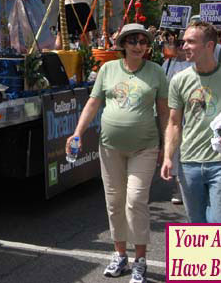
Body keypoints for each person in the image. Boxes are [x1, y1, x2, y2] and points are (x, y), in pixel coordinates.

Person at [66, 23, 169, 283]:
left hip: (145, 147)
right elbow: (93, 102)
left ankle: (140, 260)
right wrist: (77, 132)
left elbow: (165, 112)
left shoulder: (156, 72)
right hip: (110, 147)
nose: (138, 46)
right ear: (122, 44)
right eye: (132, 41)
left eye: (143, 41)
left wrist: (167, 147)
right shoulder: (108, 69)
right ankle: (120, 255)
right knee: (114, 202)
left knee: (135, 201)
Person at [161, 20, 221, 223]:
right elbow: (173, 123)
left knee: (220, 223)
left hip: (220, 163)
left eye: (191, 42)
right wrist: (168, 157)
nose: (184, 46)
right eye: (183, 41)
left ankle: (218, 256)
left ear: (209, 46)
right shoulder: (179, 80)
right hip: (189, 163)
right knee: (197, 225)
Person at [161, 35, 193, 204]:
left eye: (184, 43)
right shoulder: (167, 65)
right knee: (175, 149)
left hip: (193, 113)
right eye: (177, 44)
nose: (181, 47)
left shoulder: (195, 64)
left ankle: (190, 186)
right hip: (174, 113)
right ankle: (178, 187)